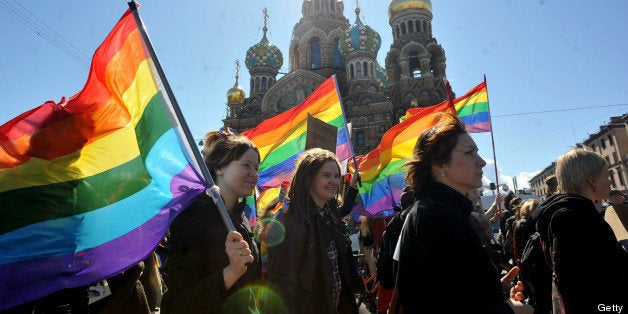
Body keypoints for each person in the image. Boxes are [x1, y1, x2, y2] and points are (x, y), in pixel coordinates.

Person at [394, 113, 532, 313]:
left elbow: (453, 291)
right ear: (440, 164)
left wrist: (493, 290)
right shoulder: (437, 217)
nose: (482, 162)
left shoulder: (443, 211)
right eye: (470, 153)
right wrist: (509, 311)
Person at [160, 130, 261, 313]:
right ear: (219, 168)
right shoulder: (193, 217)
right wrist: (231, 272)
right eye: (246, 165)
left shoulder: (241, 217)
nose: (254, 174)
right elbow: (177, 304)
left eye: (256, 168)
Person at [533, 149, 628, 312]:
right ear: (592, 182)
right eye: (606, 175)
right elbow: (581, 287)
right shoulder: (576, 218)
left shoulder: (568, 214)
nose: (610, 181)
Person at [266, 148, 360, 314]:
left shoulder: (330, 216)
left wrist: (352, 187)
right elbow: (282, 285)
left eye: (337, 176)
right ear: (308, 178)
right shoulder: (289, 223)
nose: (334, 182)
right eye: (326, 176)